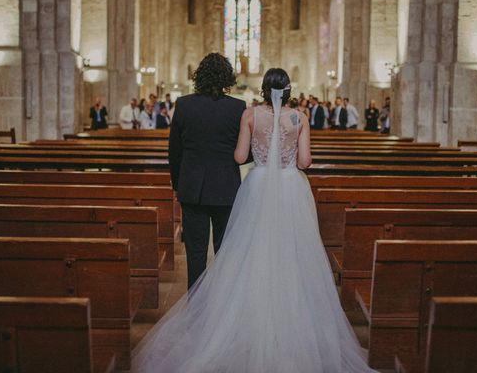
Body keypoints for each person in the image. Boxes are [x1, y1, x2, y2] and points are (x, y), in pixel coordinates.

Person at [132, 68, 375, 373]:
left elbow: (238, 157)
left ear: (263, 89)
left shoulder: (249, 115)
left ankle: (240, 314)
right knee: (292, 252)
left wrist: (261, 155)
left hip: (258, 185)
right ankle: (291, 315)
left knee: (250, 248)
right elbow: (305, 162)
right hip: (290, 189)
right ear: (288, 90)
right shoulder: (299, 117)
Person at [167, 52, 247, 289]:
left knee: (195, 252)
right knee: (224, 253)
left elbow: (174, 152)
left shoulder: (183, 104)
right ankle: (221, 309)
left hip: (193, 189)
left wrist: (177, 185)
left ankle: (195, 309)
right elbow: (245, 153)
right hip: (226, 188)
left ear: (199, 76)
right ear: (227, 78)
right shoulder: (238, 107)